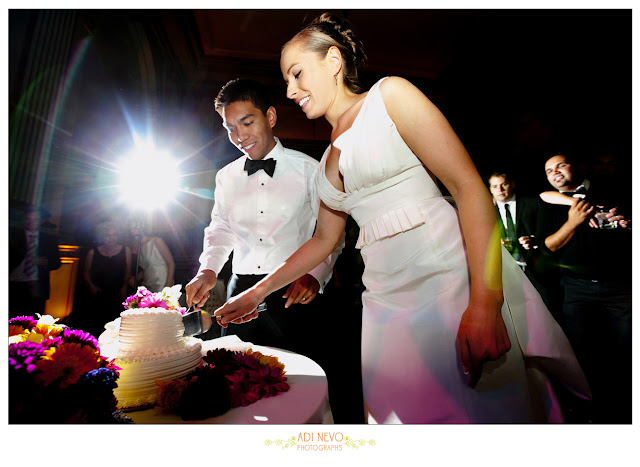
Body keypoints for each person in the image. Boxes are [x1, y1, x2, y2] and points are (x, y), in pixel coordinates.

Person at [211, 13, 590, 424]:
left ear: (333, 61)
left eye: (297, 73)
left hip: (446, 278)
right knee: (402, 416)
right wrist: (255, 293)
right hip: (383, 299)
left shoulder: (389, 97)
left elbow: (469, 189)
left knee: (480, 413)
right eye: (287, 80)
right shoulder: (325, 161)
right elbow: (322, 241)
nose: (290, 90)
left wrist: (485, 304)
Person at [184, 79, 361, 422]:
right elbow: (220, 228)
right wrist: (208, 269)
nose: (239, 136)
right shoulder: (225, 177)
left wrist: (316, 274)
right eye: (230, 128)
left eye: (247, 122)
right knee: (236, 387)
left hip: (294, 292)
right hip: (240, 292)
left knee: (299, 390)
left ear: (270, 117)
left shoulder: (310, 169)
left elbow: (331, 235)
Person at [537, 152, 631, 423]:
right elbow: (549, 245)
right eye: (549, 170)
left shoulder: (609, 187)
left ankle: (624, 408)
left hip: (619, 286)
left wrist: (624, 223)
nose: (555, 172)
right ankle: (590, 409)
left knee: (625, 349)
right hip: (576, 290)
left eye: (561, 165)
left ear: (576, 166)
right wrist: (574, 220)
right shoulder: (549, 201)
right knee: (582, 349)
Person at [488, 171, 560, 314]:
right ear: (490, 189)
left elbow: (549, 231)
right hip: (506, 273)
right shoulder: (488, 211)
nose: (500, 190)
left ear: (512, 184)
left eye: (504, 184)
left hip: (536, 269)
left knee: (548, 309)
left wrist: (533, 240)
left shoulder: (533, 204)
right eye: (495, 186)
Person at [9, 205, 61, 318]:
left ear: (41, 221)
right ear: (23, 219)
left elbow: (57, 262)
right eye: (28, 219)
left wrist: (46, 262)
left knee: (34, 320)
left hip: (38, 285)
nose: (31, 222)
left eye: (35, 219)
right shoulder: (12, 235)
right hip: (14, 283)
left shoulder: (49, 238)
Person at [81, 221, 132, 336]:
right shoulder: (92, 252)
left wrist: (124, 287)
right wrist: (91, 286)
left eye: (114, 235)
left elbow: (128, 272)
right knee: (97, 323)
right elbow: (85, 273)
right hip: (99, 292)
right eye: (107, 236)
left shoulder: (126, 250)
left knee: (116, 324)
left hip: (118, 292)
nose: (111, 238)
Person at [130, 223, 175, 293]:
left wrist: (168, 285)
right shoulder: (139, 246)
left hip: (162, 282)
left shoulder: (157, 241)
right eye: (131, 229)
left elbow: (171, 263)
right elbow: (147, 268)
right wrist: (135, 278)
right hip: (148, 283)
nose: (132, 231)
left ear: (142, 228)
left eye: (135, 228)